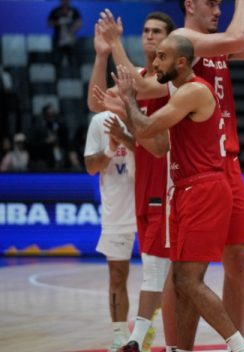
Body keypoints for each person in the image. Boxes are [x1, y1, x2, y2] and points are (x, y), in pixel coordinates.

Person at [104, 0, 244, 338]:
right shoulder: (185, 39)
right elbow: (237, 36)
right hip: (194, 170)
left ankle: (234, 340)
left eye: (221, 3)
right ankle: (177, 344)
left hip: (229, 165)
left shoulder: (217, 47)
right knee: (185, 267)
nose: (217, 10)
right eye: (211, 3)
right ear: (190, 5)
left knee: (238, 257)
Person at [97, 35, 244, 352]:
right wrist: (128, 115)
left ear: (181, 62)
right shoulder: (180, 97)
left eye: (162, 57)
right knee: (180, 282)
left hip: (204, 190)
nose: (154, 63)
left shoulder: (193, 91)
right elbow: (156, 146)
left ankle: (240, 348)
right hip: (184, 190)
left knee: (187, 280)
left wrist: (128, 99)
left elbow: (149, 127)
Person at [88, 11, 179, 352]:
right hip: (140, 187)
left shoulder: (171, 80)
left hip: (169, 182)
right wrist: (101, 54)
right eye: (145, 31)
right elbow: (96, 101)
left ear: (171, 40)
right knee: (159, 272)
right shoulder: (138, 77)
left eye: (157, 31)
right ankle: (143, 334)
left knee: (165, 272)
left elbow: (137, 95)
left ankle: (146, 337)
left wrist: (114, 45)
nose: (149, 37)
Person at [84, 111, 136, 352]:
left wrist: (125, 137)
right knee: (117, 275)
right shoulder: (99, 121)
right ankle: (120, 337)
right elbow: (91, 167)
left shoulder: (149, 112)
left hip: (152, 204)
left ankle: (150, 331)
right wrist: (110, 148)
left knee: (165, 276)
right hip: (118, 209)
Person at [47, 0, 82, 68]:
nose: (65, 2)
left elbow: (79, 22)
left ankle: (74, 76)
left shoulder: (74, 11)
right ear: (61, 1)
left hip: (71, 38)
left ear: (69, 1)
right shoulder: (55, 11)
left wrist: (72, 29)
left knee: (73, 60)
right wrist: (59, 22)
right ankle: (57, 76)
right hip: (58, 38)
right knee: (57, 60)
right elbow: (49, 23)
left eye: (67, 0)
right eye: (63, 0)